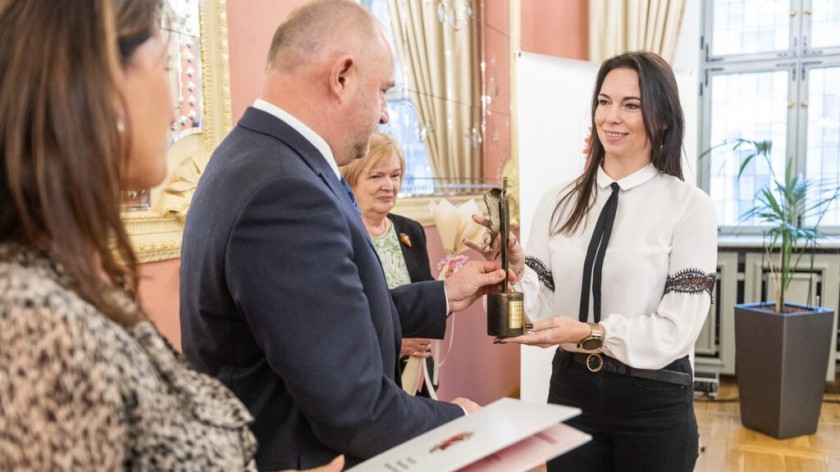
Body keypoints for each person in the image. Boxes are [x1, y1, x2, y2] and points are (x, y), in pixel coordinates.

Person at [0, 1, 343, 471]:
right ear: (101, 86)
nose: (177, 105)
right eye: (162, 67)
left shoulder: (64, 278)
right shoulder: (36, 323)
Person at [178, 1, 506, 470]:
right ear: (342, 77)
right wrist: (460, 419)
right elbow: (354, 409)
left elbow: (325, 319)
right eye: (382, 92)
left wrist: (444, 296)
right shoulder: (286, 191)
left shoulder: (256, 156)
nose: (386, 116)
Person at [470, 51, 717, 472]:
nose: (611, 117)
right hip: (571, 390)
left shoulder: (689, 207)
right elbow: (538, 311)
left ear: (661, 119)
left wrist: (592, 332)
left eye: (631, 105)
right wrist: (510, 277)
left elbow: (677, 329)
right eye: (604, 102)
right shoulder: (557, 202)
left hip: (652, 402)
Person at [341, 132, 437, 397]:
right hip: (368, 380)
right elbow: (342, 317)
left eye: (394, 176)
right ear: (351, 180)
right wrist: (396, 343)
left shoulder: (411, 231)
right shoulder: (342, 234)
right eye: (376, 176)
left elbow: (423, 297)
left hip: (417, 376)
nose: (389, 185)